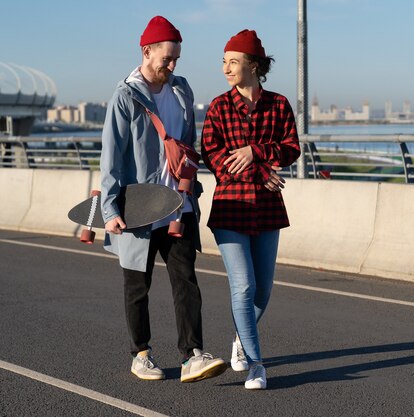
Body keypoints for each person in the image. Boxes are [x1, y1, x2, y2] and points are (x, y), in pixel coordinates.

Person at [100, 15, 227, 383]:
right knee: (137, 285)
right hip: (138, 207)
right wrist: (110, 209)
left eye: (176, 60)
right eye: (166, 59)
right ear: (147, 51)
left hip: (177, 204)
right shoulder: (125, 96)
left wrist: (189, 186)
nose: (171, 66)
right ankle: (141, 354)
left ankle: (193, 356)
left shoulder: (181, 90)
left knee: (186, 279)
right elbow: (111, 157)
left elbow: (187, 145)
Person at [201, 29, 301, 390]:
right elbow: (214, 157)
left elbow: (291, 148)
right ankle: (256, 364)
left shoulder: (279, 104)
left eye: (233, 61)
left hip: (267, 207)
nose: (225, 67)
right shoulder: (218, 106)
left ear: (253, 65)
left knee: (262, 291)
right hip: (230, 208)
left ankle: (241, 340)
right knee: (242, 286)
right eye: (224, 61)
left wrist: (255, 151)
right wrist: (259, 168)